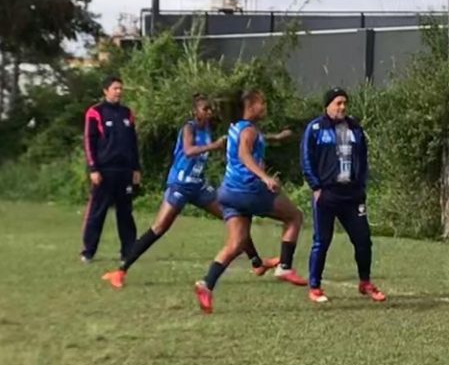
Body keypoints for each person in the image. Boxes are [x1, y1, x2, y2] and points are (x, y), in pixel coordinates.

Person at [100, 94, 288, 289]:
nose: (208, 112)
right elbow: (189, 150)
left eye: (210, 109)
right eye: (204, 109)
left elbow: (244, 137)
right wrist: (214, 146)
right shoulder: (189, 128)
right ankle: (121, 270)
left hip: (198, 186)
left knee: (233, 218)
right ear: (195, 111)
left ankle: (257, 263)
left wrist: (276, 137)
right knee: (159, 228)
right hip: (180, 184)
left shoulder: (208, 128)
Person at [194, 90, 306, 314]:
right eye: (262, 103)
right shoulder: (249, 130)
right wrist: (265, 178)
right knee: (294, 216)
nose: (265, 107)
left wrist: (277, 138)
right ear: (252, 105)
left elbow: (251, 143)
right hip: (248, 190)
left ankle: (206, 284)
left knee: (236, 243)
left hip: (227, 193)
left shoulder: (237, 126)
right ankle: (284, 267)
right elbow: (245, 154)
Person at [300, 87, 385, 303]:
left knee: (363, 239)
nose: (342, 107)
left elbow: (363, 159)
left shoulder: (355, 128)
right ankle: (315, 286)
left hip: (352, 195)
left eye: (345, 102)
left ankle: (365, 282)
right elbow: (306, 159)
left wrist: (362, 185)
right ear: (327, 105)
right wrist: (316, 187)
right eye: (338, 102)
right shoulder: (316, 128)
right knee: (322, 240)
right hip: (327, 194)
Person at [81, 76, 141, 264]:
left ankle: (128, 251)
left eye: (121, 88)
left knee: (125, 212)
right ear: (105, 91)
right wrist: (93, 168)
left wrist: (136, 168)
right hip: (104, 171)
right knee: (97, 212)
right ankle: (88, 251)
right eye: (115, 88)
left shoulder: (127, 113)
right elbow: (89, 141)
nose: (119, 92)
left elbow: (133, 143)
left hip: (124, 171)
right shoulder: (95, 112)